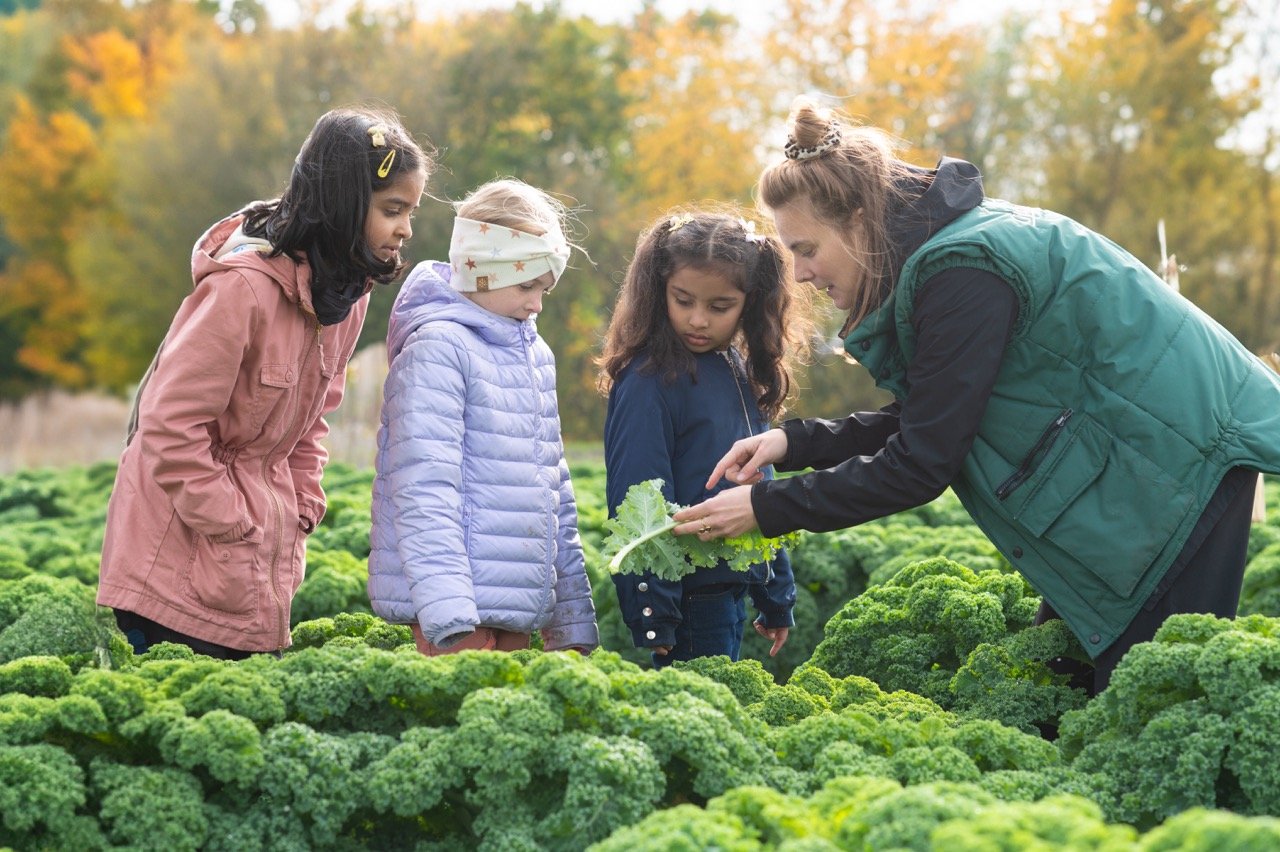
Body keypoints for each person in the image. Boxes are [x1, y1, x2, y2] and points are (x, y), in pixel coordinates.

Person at [672, 98, 1280, 696]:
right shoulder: (943, 257)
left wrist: (766, 509)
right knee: (1065, 703)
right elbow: (933, 415)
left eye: (805, 249)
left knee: (1153, 709)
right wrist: (792, 442)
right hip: (1140, 476)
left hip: (1178, 472)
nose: (800, 273)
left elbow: (922, 462)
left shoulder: (961, 270)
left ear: (858, 218)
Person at [97, 106, 432, 659]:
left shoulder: (345, 300)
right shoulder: (241, 292)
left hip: (253, 558)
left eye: (410, 212)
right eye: (392, 209)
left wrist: (301, 504)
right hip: (177, 563)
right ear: (343, 205)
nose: (405, 228)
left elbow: (313, 420)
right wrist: (233, 522)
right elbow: (168, 425)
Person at [367, 178, 599, 656]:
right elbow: (423, 486)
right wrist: (449, 611)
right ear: (484, 270)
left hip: (518, 602)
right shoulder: (438, 348)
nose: (537, 304)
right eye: (528, 285)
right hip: (455, 612)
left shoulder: (536, 355)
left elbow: (556, 494)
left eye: (546, 290)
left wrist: (570, 619)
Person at [598, 209, 812, 668]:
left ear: (749, 304)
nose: (698, 320)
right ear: (660, 292)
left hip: (728, 590)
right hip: (687, 600)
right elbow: (637, 499)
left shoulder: (737, 370)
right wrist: (652, 613)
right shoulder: (647, 379)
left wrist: (775, 593)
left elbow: (759, 486)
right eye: (683, 300)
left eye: (719, 307)